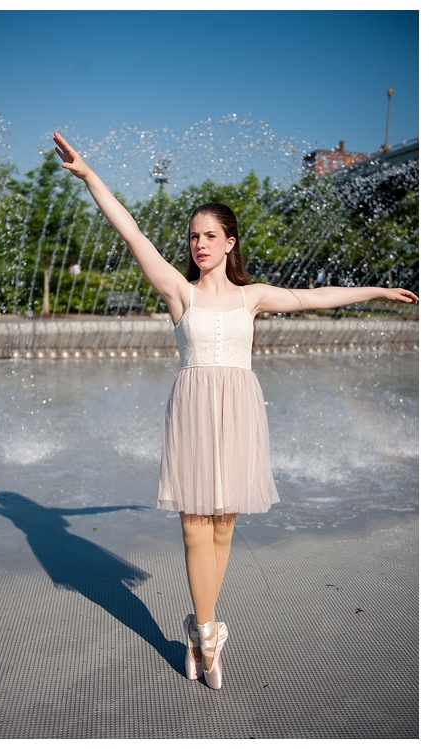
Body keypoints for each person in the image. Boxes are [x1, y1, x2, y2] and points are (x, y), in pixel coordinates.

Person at [53, 132, 418, 690]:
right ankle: (205, 632)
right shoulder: (181, 293)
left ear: (229, 243)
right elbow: (129, 231)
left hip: (240, 410)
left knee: (223, 526)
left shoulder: (253, 297)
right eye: (194, 236)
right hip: (195, 409)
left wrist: (375, 291)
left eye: (209, 236)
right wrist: (90, 177)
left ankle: (206, 627)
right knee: (195, 526)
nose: (199, 244)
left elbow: (314, 298)